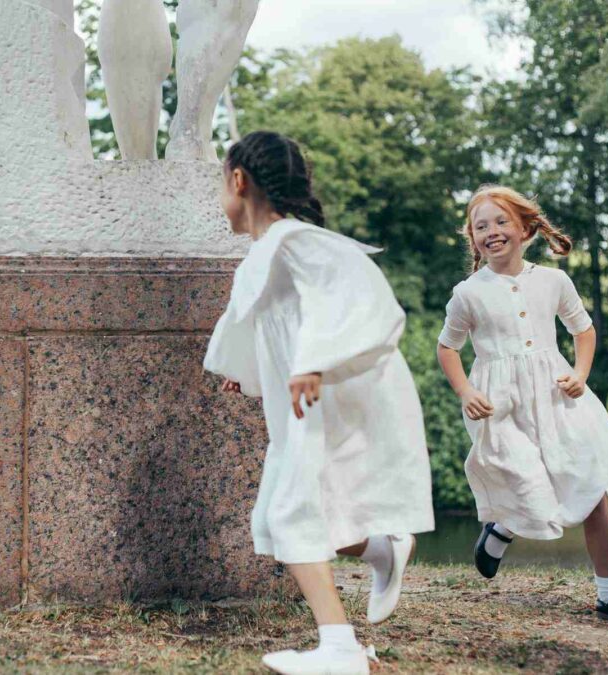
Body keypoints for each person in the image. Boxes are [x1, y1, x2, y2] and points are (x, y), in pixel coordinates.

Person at [204, 131, 435, 674]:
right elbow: (268, 325)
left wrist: (312, 362)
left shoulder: (296, 240)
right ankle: (382, 549)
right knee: (287, 513)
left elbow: (357, 297)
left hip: (326, 395)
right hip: (302, 405)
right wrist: (246, 371)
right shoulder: (266, 252)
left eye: (221, 184)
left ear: (238, 180)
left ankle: (340, 649)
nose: (220, 197)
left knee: (293, 512)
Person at [436, 184, 608, 625]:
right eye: (481, 226)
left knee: (592, 488)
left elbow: (583, 330)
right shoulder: (468, 293)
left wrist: (580, 374)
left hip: (556, 395)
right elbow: (448, 347)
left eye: (501, 221)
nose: (492, 231)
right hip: (499, 404)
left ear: (525, 229)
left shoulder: (554, 281)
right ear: (472, 238)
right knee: (526, 479)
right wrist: (466, 392)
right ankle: (503, 525)